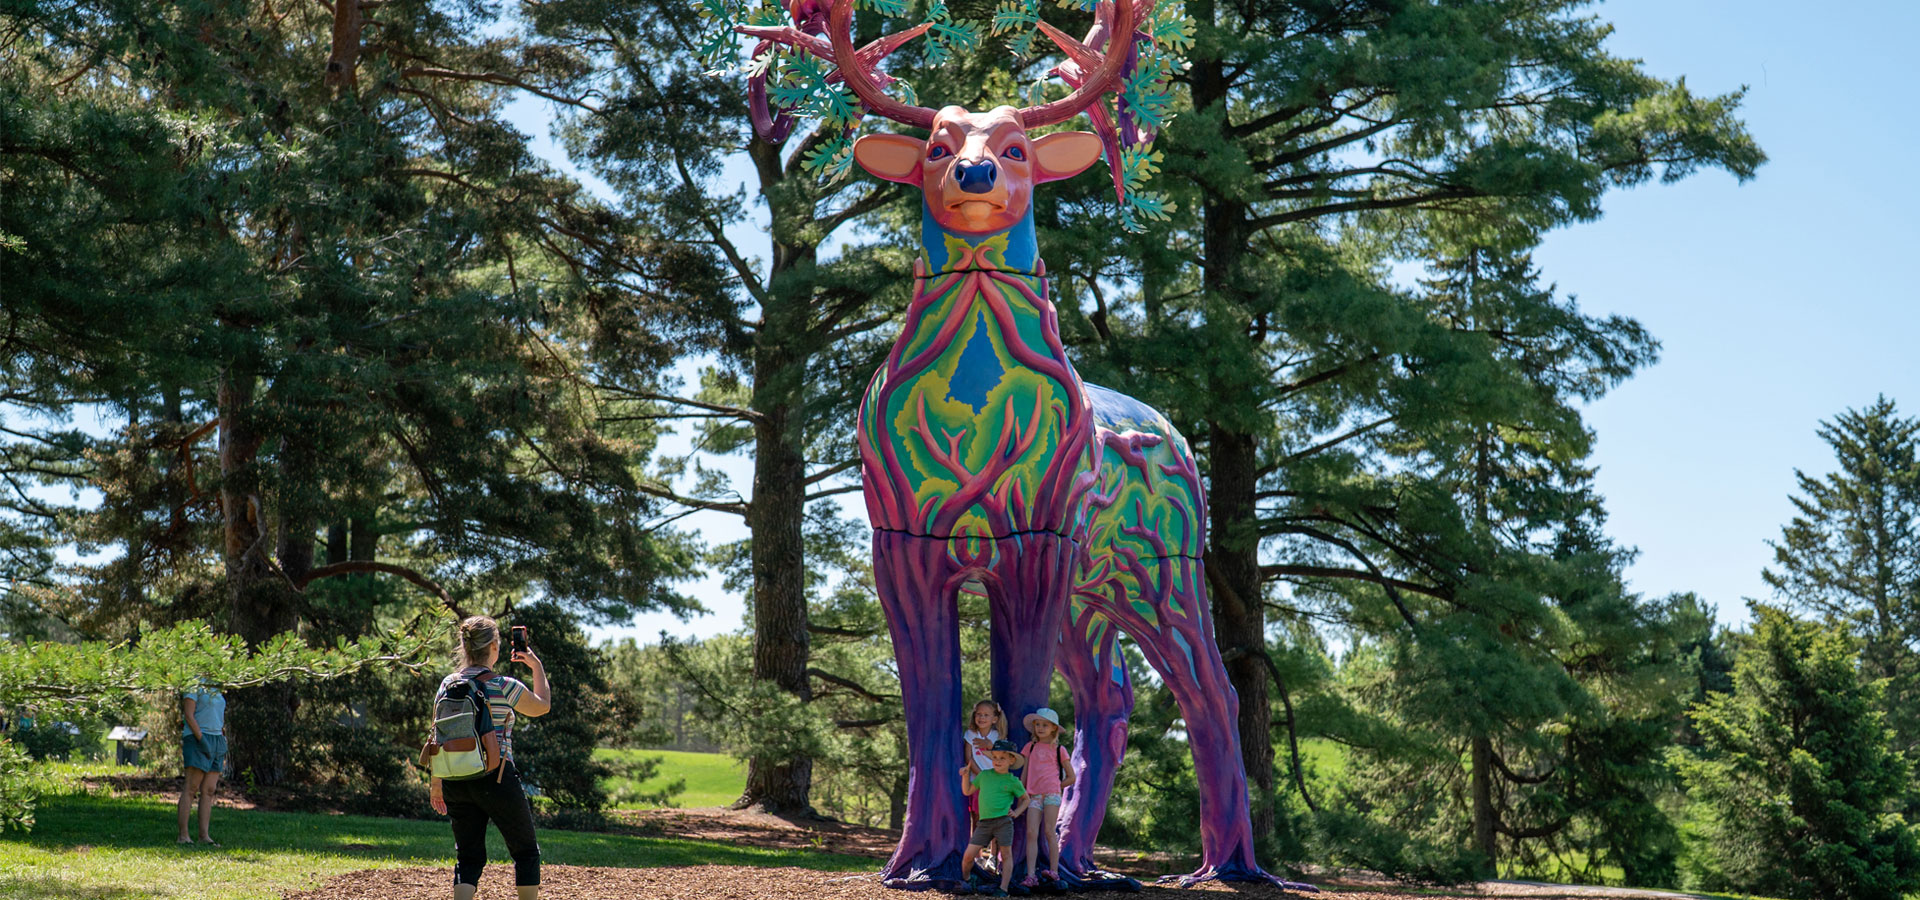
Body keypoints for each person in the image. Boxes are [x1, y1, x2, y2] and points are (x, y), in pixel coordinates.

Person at [428, 616, 552, 900]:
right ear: (494, 647)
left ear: (464, 646)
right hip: (496, 777)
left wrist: (437, 784)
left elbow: (437, 736)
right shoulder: (503, 685)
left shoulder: (447, 684)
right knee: (526, 852)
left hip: (455, 779)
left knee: (468, 859)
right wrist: (536, 666)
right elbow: (541, 707)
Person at [959, 740, 1031, 897]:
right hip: (983, 823)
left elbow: (1026, 799)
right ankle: (967, 880)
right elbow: (968, 791)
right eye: (995, 757)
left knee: (1006, 855)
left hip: (1003, 822)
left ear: (1011, 760)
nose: (997, 761)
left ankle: (1003, 888)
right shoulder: (984, 775)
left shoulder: (1013, 781)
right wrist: (965, 777)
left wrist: (1017, 812)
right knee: (968, 856)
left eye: (1002, 758)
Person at [1019, 708, 1075, 889]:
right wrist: (1021, 792)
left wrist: (1056, 786)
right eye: (1037, 725)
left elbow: (1071, 777)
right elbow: (1025, 772)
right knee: (1031, 833)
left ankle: (1054, 871)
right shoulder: (1030, 747)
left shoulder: (1059, 749)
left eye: (1045, 725)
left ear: (1053, 728)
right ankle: (1030, 875)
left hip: (1052, 795)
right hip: (1033, 795)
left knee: (1050, 832)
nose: (1040, 728)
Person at [177, 680, 226, 846]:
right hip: (197, 738)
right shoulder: (193, 682)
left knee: (209, 790)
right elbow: (189, 716)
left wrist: (221, 737)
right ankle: (183, 836)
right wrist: (202, 740)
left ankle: (204, 836)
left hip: (216, 739)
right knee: (191, 788)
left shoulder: (218, 683)